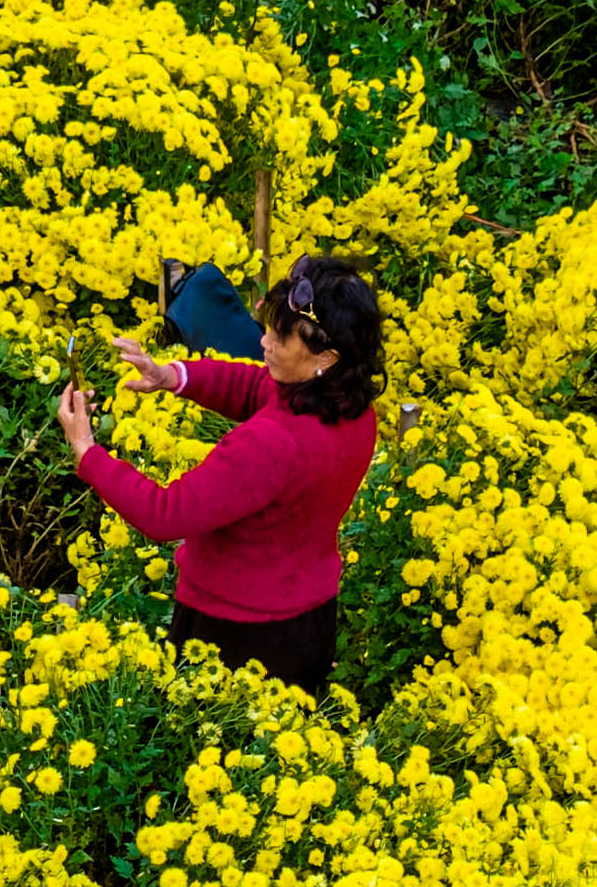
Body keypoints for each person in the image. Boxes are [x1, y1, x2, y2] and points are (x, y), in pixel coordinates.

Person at [56, 253, 385, 696]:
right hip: (308, 620)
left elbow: (163, 514)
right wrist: (171, 376)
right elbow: (257, 388)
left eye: (280, 337)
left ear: (325, 355)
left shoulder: (273, 445)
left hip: (235, 636)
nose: (264, 342)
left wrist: (87, 451)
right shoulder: (350, 406)